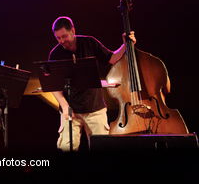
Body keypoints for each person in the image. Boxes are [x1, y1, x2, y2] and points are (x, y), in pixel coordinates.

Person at [48, 16, 136, 151]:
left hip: (95, 108)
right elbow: (54, 84)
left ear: (73, 31)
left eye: (64, 36)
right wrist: (64, 106)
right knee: (66, 147)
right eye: (58, 38)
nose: (62, 41)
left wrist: (126, 45)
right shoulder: (55, 54)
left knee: (101, 148)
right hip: (70, 110)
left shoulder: (89, 42)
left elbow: (112, 58)